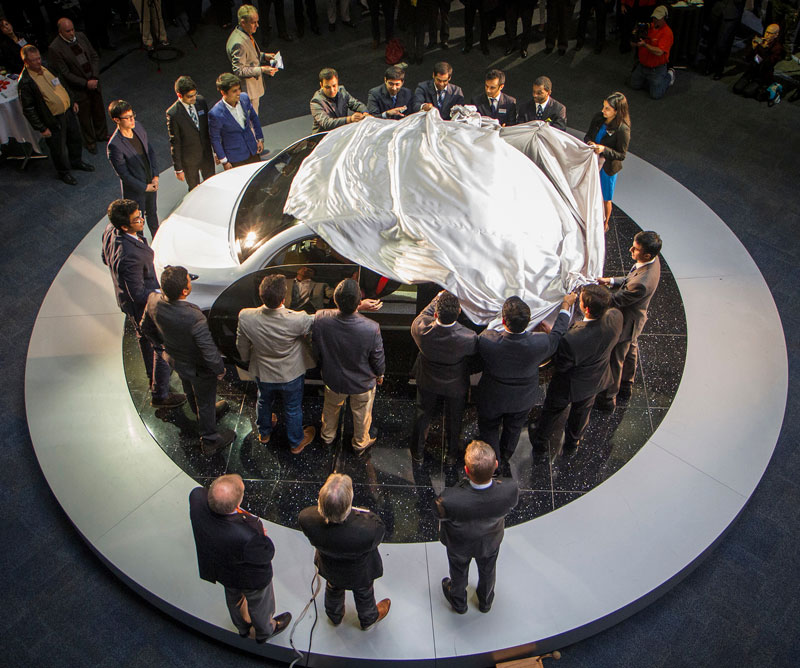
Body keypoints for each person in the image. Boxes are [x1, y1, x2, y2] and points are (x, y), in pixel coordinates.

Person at [141, 265, 237, 455]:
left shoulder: (153, 300)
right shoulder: (194, 316)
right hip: (199, 368)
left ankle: (199, 412)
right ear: (185, 291)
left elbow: (145, 327)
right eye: (188, 279)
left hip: (175, 360)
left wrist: (162, 345)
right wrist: (219, 369)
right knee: (206, 400)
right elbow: (208, 350)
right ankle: (210, 440)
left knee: (188, 388)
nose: (190, 280)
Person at [101, 199, 185, 410]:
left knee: (144, 338)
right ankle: (160, 394)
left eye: (140, 215)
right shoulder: (129, 255)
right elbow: (139, 293)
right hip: (142, 306)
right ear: (124, 226)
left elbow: (105, 257)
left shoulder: (110, 230)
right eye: (137, 219)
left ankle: (151, 374)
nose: (142, 220)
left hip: (127, 302)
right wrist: (162, 293)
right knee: (162, 347)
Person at [477, 294, 574, 473]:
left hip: (493, 397)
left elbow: (484, 334)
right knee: (513, 429)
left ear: (504, 322)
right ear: (530, 321)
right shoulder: (540, 342)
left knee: (489, 428)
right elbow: (558, 333)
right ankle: (505, 456)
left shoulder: (487, 341)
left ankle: (493, 462)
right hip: (522, 399)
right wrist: (565, 307)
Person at [189, 474, 292, 643]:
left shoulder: (196, 498)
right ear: (238, 504)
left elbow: (201, 494)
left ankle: (242, 628)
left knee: (233, 598)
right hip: (249, 578)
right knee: (260, 605)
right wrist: (258, 533)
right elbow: (266, 554)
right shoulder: (248, 533)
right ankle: (266, 630)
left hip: (221, 570)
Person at [530, 285, 622, 455]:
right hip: (596, 378)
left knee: (552, 411)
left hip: (568, 385)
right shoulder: (616, 318)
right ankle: (573, 441)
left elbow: (561, 363)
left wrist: (554, 335)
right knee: (582, 412)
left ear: (585, 309)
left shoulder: (573, 339)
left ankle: (540, 441)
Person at [434, 440, 519, 614]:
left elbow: (438, 514)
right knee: (488, 571)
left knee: (458, 573)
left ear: (466, 470)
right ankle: (485, 601)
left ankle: (459, 603)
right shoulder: (509, 489)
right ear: (495, 465)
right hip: (490, 541)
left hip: (458, 543)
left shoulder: (448, 499)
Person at [236, 273, 317, 454]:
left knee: (263, 400)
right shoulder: (297, 319)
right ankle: (296, 443)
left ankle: (264, 433)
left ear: (261, 294)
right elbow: (321, 319)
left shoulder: (246, 316)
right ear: (283, 298)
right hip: (291, 373)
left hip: (263, 372)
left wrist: (245, 359)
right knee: (292, 407)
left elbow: (241, 344)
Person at [298, 473, 391, 629]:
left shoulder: (306, 518)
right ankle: (368, 619)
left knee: (333, 588)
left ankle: (334, 615)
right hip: (360, 573)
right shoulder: (369, 529)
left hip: (329, 567)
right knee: (364, 594)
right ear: (349, 504)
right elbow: (378, 530)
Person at [312, 279, 385, 456]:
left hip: (333, 380)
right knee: (361, 414)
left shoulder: (321, 318)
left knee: (330, 409)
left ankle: (327, 437)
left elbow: (315, 348)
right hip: (362, 383)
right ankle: (360, 443)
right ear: (359, 301)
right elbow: (377, 358)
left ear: (335, 300)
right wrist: (380, 374)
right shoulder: (371, 328)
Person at [595, 230, 662, 410]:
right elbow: (629, 279)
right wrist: (610, 281)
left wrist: (591, 294)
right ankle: (627, 385)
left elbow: (617, 299)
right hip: (636, 319)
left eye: (636, 248)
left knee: (616, 359)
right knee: (631, 350)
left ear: (647, 254)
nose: (631, 249)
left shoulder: (641, 284)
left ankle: (608, 399)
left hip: (627, 322)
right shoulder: (652, 262)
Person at [410, 291, 478, 465]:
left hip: (427, 379)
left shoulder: (421, 329)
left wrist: (437, 298)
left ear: (435, 314)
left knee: (423, 415)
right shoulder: (468, 337)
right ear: (459, 313)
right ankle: (451, 454)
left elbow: (422, 315)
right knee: (454, 418)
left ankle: (417, 454)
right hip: (455, 384)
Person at [18, 45, 94, 186]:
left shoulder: (48, 67)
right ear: (26, 62)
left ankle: (76, 162)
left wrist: (71, 101)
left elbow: (62, 84)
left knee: (75, 138)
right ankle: (63, 172)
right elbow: (28, 109)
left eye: (39, 58)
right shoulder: (25, 82)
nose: (38, 62)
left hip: (68, 112)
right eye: (34, 60)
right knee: (58, 148)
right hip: (53, 119)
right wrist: (41, 128)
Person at [46, 18, 107, 155]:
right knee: (84, 117)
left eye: (72, 29)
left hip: (94, 81)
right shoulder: (55, 48)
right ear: (60, 31)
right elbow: (64, 73)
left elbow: (94, 56)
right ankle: (90, 142)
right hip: (78, 89)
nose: (72, 33)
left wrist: (95, 77)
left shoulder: (81, 36)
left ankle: (102, 134)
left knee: (98, 110)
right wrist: (85, 83)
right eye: (68, 31)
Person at [107, 99, 160, 236]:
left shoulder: (138, 127)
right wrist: (144, 187)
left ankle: (158, 242)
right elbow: (124, 175)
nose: (132, 120)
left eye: (132, 116)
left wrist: (155, 176)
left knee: (153, 216)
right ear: (116, 120)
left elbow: (150, 151)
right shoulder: (115, 145)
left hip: (151, 182)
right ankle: (143, 249)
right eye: (127, 117)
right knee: (138, 224)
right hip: (136, 191)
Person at [584, 91, 631, 232]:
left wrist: (603, 149)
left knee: (605, 195)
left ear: (616, 112)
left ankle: (605, 223)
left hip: (608, 166)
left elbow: (621, 155)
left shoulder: (622, 129)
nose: (603, 111)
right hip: (592, 160)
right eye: (603, 107)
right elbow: (587, 135)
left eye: (607, 109)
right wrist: (590, 142)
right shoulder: (599, 118)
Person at [166, 75, 216, 191]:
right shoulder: (173, 113)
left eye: (194, 94)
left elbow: (208, 129)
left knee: (213, 183)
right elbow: (175, 142)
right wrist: (178, 168)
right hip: (190, 160)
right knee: (194, 189)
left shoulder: (201, 101)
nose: (194, 98)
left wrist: (216, 151)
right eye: (189, 97)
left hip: (206, 154)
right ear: (179, 95)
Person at [226, 4, 278, 116]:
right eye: (253, 22)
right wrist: (262, 69)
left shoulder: (243, 33)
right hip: (248, 91)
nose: (257, 25)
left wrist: (263, 56)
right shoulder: (238, 43)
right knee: (251, 123)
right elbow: (239, 70)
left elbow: (249, 54)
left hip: (252, 89)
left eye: (257, 21)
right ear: (243, 22)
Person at [208, 72, 264, 169]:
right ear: (223, 92)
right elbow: (215, 139)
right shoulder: (216, 114)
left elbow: (254, 118)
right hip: (235, 158)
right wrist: (224, 161)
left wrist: (260, 139)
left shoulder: (244, 98)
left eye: (239, 89)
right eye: (234, 91)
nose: (238, 93)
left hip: (252, 150)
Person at [629, 5, 675, 100]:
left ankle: (669, 75)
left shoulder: (667, 33)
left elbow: (659, 52)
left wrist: (645, 45)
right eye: (654, 17)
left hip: (656, 68)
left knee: (655, 95)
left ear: (664, 18)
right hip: (643, 65)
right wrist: (635, 37)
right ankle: (649, 81)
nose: (655, 20)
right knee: (633, 85)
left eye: (658, 18)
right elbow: (633, 44)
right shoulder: (647, 27)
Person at [733, 24, 785, 98]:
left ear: (776, 35)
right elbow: (747, 58)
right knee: (736, 89)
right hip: (752, 70)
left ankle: (764, 87)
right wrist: (753, 47)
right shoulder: (760, 40)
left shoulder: (777, 48)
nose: (767, 35)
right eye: (766, 32)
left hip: (762, 74)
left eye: (770, 33)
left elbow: (768, 64)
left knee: (747, 93)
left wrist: (764, 50)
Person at [310, 67, 368, 133]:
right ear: (321, 85)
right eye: (327, 87)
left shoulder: (342, 91)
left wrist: (365, 112)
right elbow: (327, 123)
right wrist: (350, 119)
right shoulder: (316, 102)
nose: (332, 90)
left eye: (334, 86)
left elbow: (356, 104)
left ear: (337, 82)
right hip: (323, 137)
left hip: (341, 133)